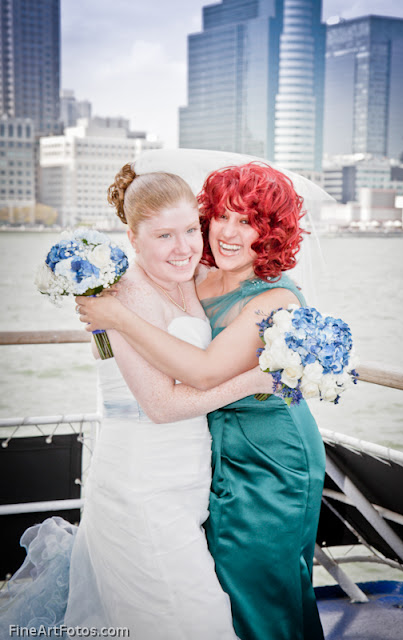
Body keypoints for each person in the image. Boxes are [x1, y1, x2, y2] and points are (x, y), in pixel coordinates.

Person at [1, 166, 274, 639]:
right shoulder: (122, 295)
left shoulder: (189, 279)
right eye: (164, 236)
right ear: (132, 238)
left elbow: (244, 280)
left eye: (190, 230)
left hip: (184, 484)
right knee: (196, 620)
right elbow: (161, 407)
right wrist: (256, 380)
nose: (183, 247)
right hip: (142, 487)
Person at [77, 162, 326, 640]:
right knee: (223, 583)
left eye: (248, 221)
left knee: (261, 584)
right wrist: (104, 320)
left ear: (271, 232)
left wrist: (117, 318)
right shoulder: (197, 273)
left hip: (269, 449)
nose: (228, 233)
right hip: (209, 446)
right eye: (221, 216)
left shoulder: (274, 298)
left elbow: (205, 371)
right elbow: (131, 335)